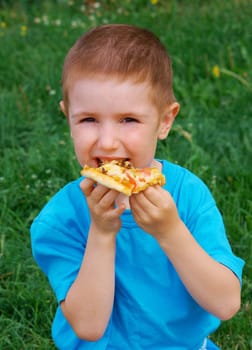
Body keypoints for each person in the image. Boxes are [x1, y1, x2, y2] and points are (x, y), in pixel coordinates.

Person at [30, 24, 244, 350]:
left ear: (164, 121)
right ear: (67, 116)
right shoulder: (62, 218)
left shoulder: (188, 196)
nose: (107, 141)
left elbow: (226, 303)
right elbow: (88, 326)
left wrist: (170, 231)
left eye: (128, 119)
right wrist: (101, 232)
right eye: (88, 119)